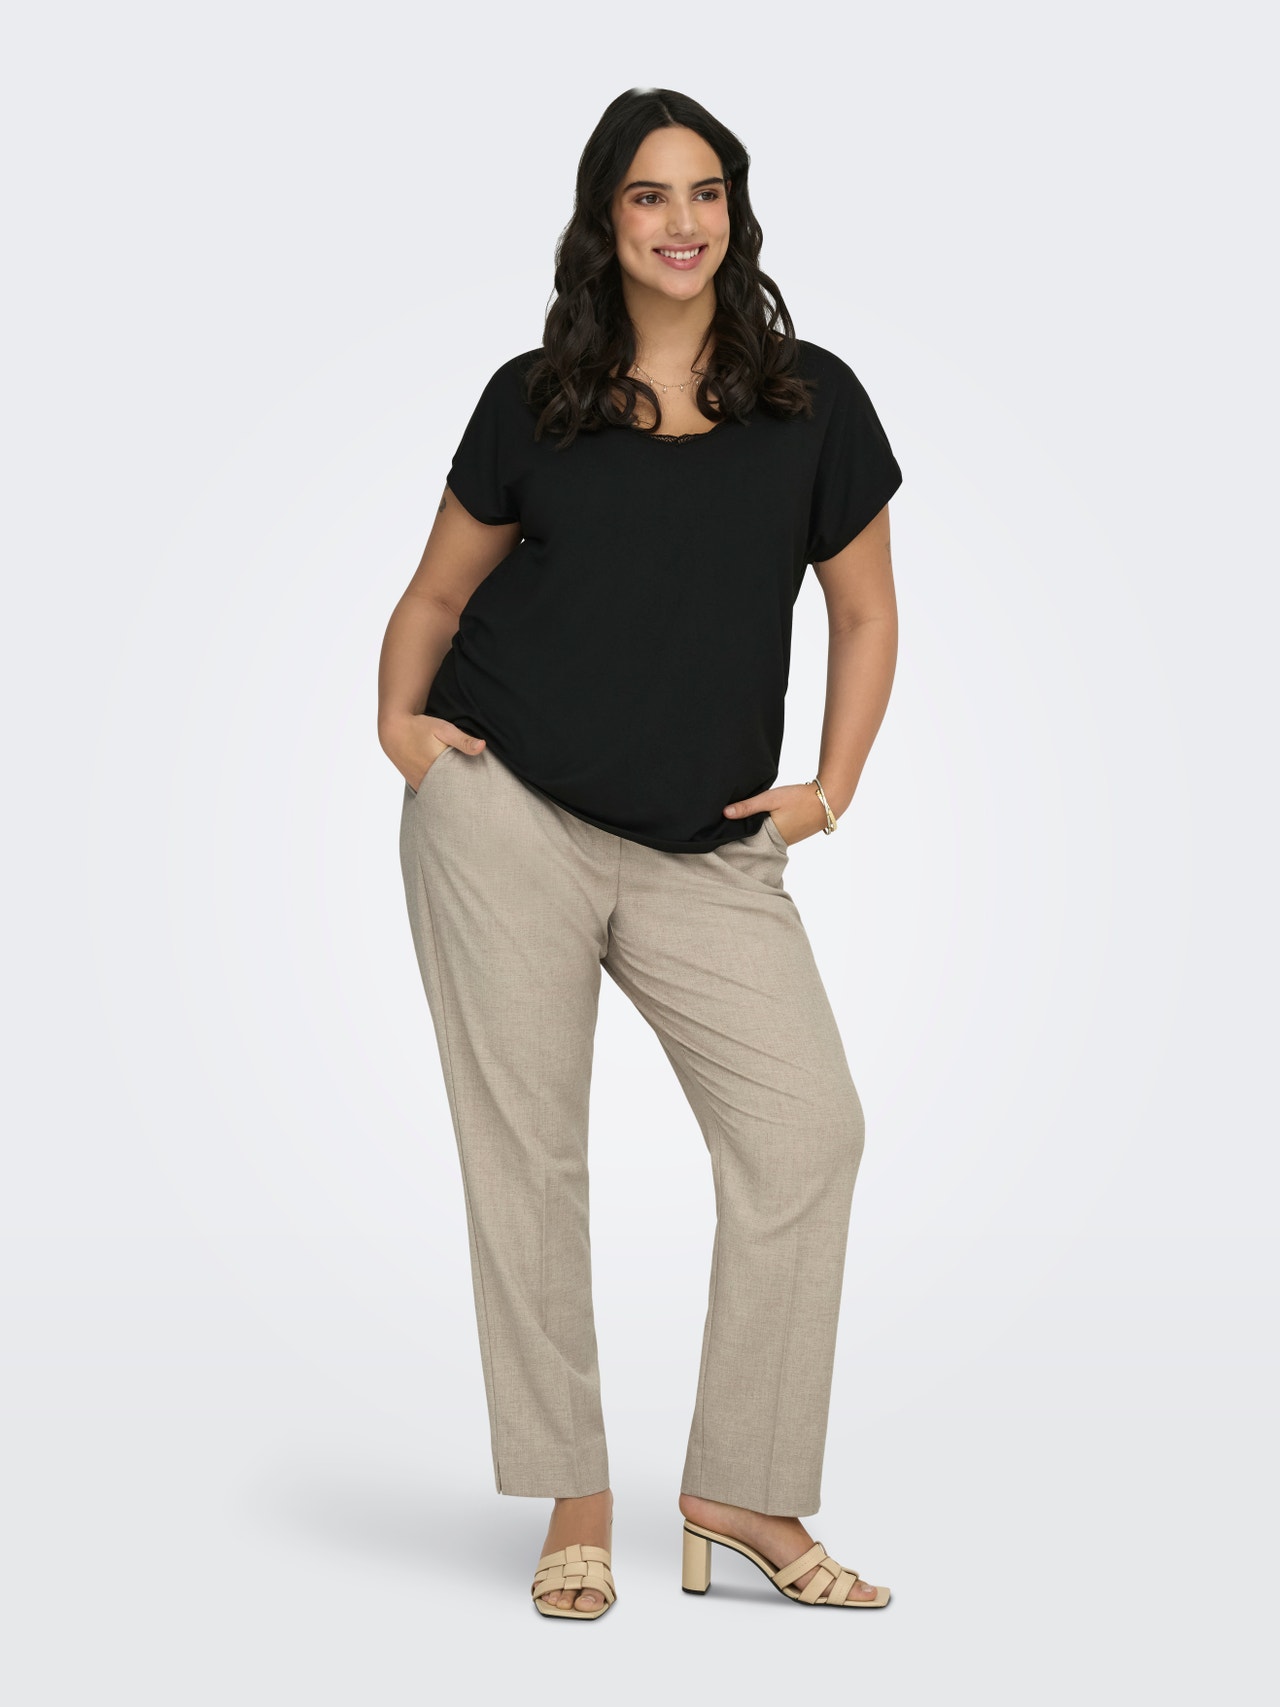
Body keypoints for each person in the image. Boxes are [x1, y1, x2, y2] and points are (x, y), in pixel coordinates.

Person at [377, 87, 903, 1619]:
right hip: (508, 815)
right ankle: (575, 1496)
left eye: (707, 192)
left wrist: (832, 789)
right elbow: (433, 597)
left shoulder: (813, 401)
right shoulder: (535, 400)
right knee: (529, 1155)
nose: (683, 223)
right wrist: (402, 731)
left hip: (707, 849)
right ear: (604, 220)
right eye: (650, 196)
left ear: (736, 213)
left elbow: (865, 611)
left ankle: (742, 1487)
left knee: (809, 1135)